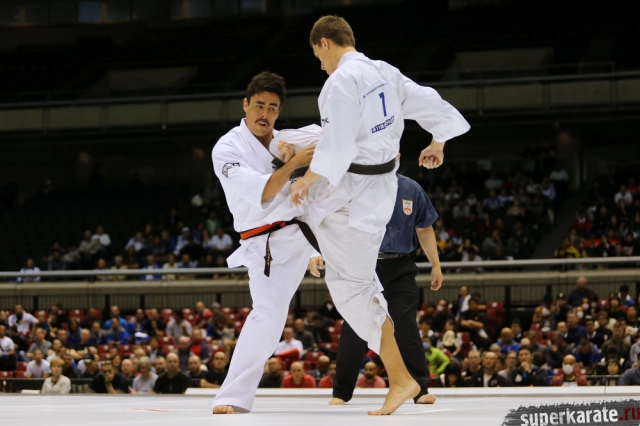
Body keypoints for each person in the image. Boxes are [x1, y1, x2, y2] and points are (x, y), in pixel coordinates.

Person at [287, 14, 468, 416]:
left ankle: (401, 379)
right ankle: (313, 249)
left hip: (359, 193)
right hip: (373, 185)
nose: (321, 66)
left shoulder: (340, 82)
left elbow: (335, 148)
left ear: (325, 43)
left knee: (351, 287)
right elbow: (431, 103)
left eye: (318, 56)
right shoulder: (384, 71)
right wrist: (438, 141)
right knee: (295, 175)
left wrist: (307, 178)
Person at [210, 72, 318, 415]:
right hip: (267, 241)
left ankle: (407, 376)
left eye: (272, 108)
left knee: (361, 288)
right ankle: (231, 396)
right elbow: (265, 191)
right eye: (259, 105)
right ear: (245, 104)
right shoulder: (228, 148)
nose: (265, 113)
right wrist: (296, 163)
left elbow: (330, 143)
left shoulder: (286, 139)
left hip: (309, 227)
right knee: (269, 315)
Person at [322, 174, 440, 406]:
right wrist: (318, 253)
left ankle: (420, 389)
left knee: (405, 324)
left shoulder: (411, 188)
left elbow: (424, 228)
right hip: (363, 264)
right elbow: (328, 221)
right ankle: (341, 393)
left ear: (397, 157)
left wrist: (435, 264)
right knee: (354, 327)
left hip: (400, 266)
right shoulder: (354, 183)